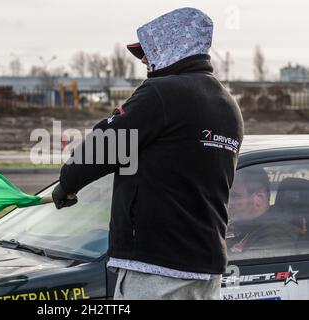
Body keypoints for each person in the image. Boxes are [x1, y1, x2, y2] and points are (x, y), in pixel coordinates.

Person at [52, 7, 244, 300]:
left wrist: (67, 184)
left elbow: (106, 145)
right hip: (206, 267)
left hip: (156, 265)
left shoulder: (163, 92)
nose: (144, 60)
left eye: (149, 50)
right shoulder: (228, 105)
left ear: (172, 47)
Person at [227, 167, 299, 252]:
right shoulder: (244, 226)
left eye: (235, 196)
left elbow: (254, 263)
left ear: (259, 198)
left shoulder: (277, 233)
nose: (228, 203)